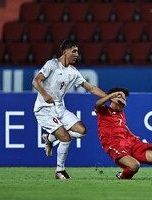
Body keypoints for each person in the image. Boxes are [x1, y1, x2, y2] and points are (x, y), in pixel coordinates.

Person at [32, 39, 111, 180]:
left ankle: (49, 138)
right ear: (65, 52)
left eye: (77, 51)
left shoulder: (73, 72)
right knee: (66, 138)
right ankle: (60, 171)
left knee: (82, 131)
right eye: (74, 51)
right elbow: (36, 81)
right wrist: (45, 95)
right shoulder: (52, 64)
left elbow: (91, 88)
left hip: (60, 109)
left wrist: (109, 96)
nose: (77, 54)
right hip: (44, 109)